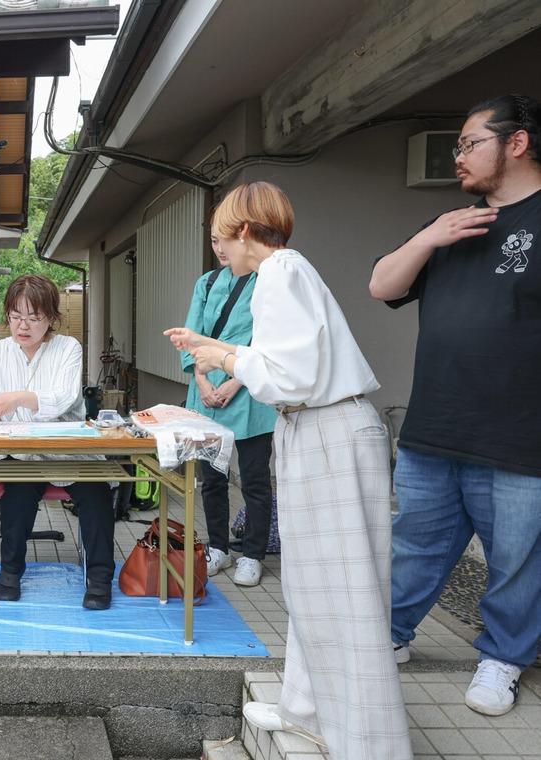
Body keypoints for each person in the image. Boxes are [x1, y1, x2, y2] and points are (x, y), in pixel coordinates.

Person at [165, 182, 411, 759]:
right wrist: (212, 347)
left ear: (246, 231)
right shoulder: (286, 270)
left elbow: (289, 376)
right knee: (311, 584)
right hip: (316, 426)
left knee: (343, 592)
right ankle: (307, 709)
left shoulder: (279, 271)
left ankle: (368, 743)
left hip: (327, 427)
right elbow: (290, 364)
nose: (219, 247)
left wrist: (224, 355)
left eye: (222, 236)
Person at [369, 93, 541, 717]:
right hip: (434, 424)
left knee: (517, 559)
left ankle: (503, 657)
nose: (457, 155)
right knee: (415, 543)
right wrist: (428, 237)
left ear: (516, 143)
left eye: (470, 144)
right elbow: (382, 284)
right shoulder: (453, 224)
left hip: (520, 434)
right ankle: (388, 636)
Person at [0, 274, 116, 611]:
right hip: (21, 452)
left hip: (69, 449)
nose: (23, 326)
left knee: (96, 497)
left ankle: (99, 577)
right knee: (17, 499)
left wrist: (17, 398)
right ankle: (10, 572)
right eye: (15, 316)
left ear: (50, 317)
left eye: (33, 317)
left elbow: (64, 397)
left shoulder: (68, 348)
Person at [179, 235, 276, 587]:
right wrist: (201, 380)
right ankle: (218, 547)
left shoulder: (266, 281)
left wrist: (237, 380)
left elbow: (267, 341)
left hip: (250, 395)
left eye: (227, 240)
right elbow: (191, 335)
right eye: (214, 240)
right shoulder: (206, 283)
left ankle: (252, 554)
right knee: (212, 479)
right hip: (206, 394)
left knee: (254, 480)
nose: (220, 249)